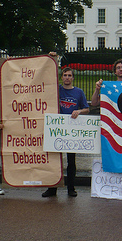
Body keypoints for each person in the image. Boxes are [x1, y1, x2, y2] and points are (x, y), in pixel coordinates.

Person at [42, 67, 90, 197]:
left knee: (71, 160)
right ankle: (52, 188)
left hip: (71, 130)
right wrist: (51, 59)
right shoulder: (57, 89)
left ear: (73, 78)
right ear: (61, 77)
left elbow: (87, 108)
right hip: (57, 129)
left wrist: (79, 111)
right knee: (54, 160)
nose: (67, 77)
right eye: (65, 75)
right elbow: (46, 78)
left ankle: (71, 188)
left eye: (69, 75)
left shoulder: (79, 92)